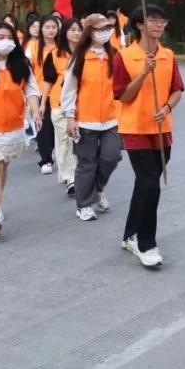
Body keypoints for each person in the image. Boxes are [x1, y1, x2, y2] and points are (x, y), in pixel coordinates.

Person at [114, 4, 184, 268]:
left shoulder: (168, 55)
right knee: (149, 183)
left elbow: (177, 89)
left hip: (162, 129)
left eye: (162, 20)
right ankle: (146, 244)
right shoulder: (124, 57)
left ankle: (129, 234)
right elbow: (123, 95)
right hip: (135, 128)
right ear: (140, 25)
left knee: (146, 184)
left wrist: (166, 108)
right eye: (153, 20)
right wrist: (144, 72)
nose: (159, 25)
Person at [0, 23, 41, 237]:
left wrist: (36, 112)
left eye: (10, 37)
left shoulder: (22, 65)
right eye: (0, 37)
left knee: (2, 167)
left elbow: (31, 90)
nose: (6, 41)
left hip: (13, 127)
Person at [61, 15, 122, 221]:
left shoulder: (115, 55)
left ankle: (97, 189)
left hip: (111, 119)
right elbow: (69, 90)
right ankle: (84, 204)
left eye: (107, 28)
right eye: (99, 29)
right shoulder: (79, 58)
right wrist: (70, 117)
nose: (104, 32)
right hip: (85, 120)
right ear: (90, 32)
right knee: (87, 163)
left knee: (111, 157)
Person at [43, 18, 81, 196]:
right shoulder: (54, 54)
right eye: (72, 30)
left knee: (78, 140)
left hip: (82, 104)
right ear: (64, 32)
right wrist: (42, 103)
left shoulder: (86, 54)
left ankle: (78, 173)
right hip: (59, 104)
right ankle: (70, 177)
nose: (76, 33)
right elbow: (48, 80)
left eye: (79, 30)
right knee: (65, 140)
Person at [34, 15, 59, 174]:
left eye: (54, 27)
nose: (51, 30)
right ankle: (46, 159)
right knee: (43, 126)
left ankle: (55, 150)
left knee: (56, 126)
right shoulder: (33, 47)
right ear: (41, 28)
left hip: (57, 92)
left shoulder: (62, 47)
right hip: (38, 91)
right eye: (47, 27)